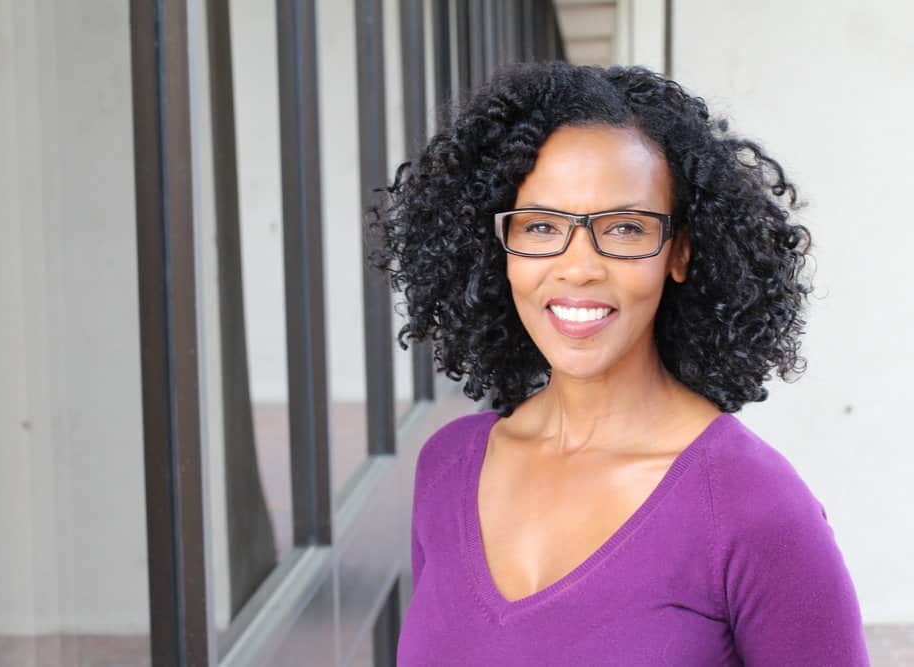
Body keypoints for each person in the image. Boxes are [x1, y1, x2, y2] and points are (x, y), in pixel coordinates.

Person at [369, 62, 870, 665]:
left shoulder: (755, 507)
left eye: (626, 228)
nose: (578, 267)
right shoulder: (447, 467)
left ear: (679, 252)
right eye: (541, 226)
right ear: (498, 249)